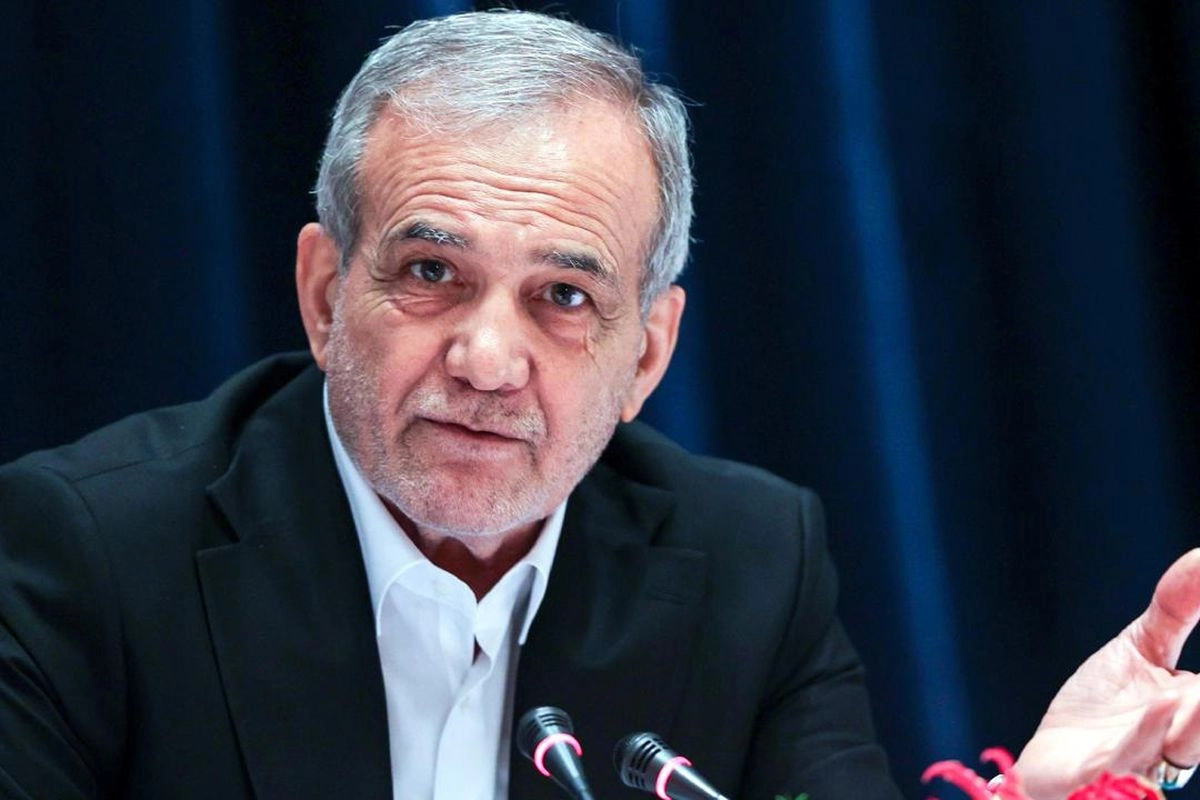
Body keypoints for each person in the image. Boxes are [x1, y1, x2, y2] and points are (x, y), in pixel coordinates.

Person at [0, 10, 1197, 800]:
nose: (487, 358)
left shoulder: (748, 562)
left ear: (647, 355)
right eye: (431, 271)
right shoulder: (87, 553)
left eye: (563, 296)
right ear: (324, 293)